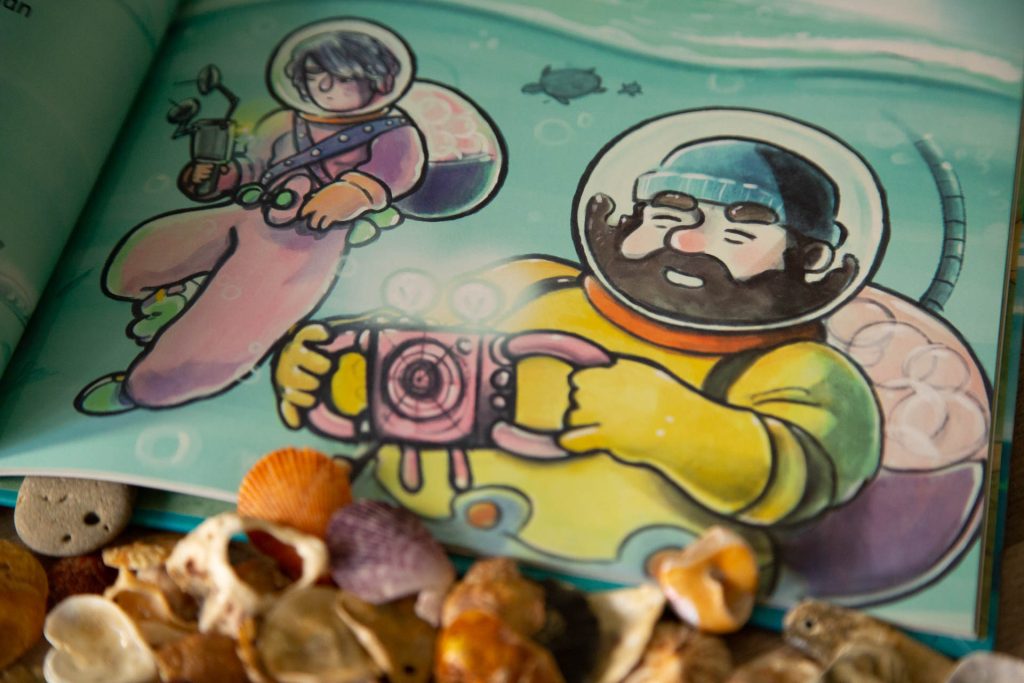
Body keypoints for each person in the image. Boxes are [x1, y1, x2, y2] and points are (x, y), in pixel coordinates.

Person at [273, 130, 884, 584]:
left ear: (809, 260)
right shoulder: (534, 284)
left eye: (739, 233)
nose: (688, 241)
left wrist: (662, 419)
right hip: (399, 548)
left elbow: (807, 474)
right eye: (667, 215)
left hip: (648, 588)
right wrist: (327, 366)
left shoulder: (802, 369)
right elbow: (410, 343)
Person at [76, 19, 426, 413]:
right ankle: (166, 294)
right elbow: (255, 169)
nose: (325, 87)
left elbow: (395, 171)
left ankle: (149, 386)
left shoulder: (392, 131)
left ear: (376, 81)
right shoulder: (283, 123)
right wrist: (219, 177)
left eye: (341, 78)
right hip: (255, 212)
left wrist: (355, 191)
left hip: (309, 238)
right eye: (315, 76)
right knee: (153, 251)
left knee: (242, 315)